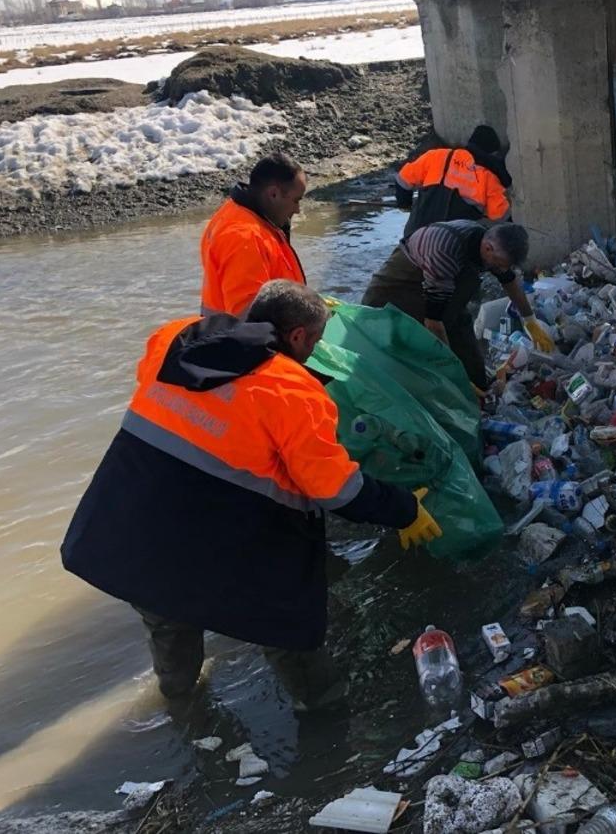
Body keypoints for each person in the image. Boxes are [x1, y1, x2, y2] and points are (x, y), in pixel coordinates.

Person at [61, 280, 441, 710]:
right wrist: (405, 508)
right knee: (284, 628)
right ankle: (322, 726)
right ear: (298, 336)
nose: (315, 348)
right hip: (226, 540)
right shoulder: (295, 393)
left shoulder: (176, 338)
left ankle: (185, 710)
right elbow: (337, 491)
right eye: (315, 339)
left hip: (135, 527)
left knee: (167, 615)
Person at [361, 220, 554, 389]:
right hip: (400, 284)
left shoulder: (490, 247)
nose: (501, 269)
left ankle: (480, 395)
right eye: (499, 263)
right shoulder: (444, 253)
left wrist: (530, 321)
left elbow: (508, 280)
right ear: (487, 248)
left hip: (443, 292)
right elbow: (433, 322)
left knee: (470, 360)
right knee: (391, 346)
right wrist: (453, 371)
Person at [200, 153, 308, 317]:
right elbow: (247, 319)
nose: (297, 209)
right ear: (273, 194)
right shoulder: (244, 237)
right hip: (236, 339)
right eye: (296, 200)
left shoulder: (236, 211)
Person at [394, 125, 511, 236]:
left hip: (415, 233)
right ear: (491, 155)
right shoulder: (489, 177)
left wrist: (405, 204)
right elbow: (502, 217)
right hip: (452, 244)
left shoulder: (436, 156)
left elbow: (402, 180)